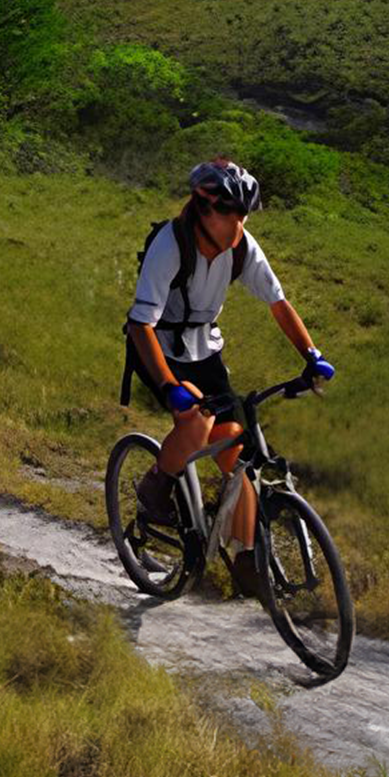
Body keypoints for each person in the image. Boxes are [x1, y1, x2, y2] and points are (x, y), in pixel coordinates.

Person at [124, 157, 334, 577]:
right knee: (196, 422)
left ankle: (245, 562)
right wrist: (169, 387)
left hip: (205, 348)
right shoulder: (171, 244)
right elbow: (139, 324)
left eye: (243, 215)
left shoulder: (241, 248)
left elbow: (278, 303)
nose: (238, 224)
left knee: (240, 456)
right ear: (203, 210)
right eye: (231, 214)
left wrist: (311, 355)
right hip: (159, 347)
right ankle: (156, 487)